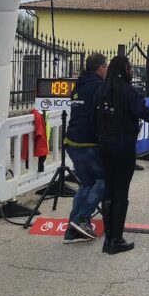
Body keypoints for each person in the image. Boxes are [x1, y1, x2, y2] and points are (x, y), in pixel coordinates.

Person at [96, 56, 149, 254]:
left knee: (108, 191)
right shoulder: (128, 92)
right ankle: (116, 238)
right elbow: (145, 113)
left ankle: (108, 237)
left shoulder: (101, 90)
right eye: (129, 68)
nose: (131, 71)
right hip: (123, 147)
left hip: (105, 146)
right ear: (124, 69)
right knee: (121, 191)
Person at [63, 53, 108, 244]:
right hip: (88, 142)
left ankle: (72, 230)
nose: (107, 71)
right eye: (106, 67)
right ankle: (82, 218)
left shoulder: (78, 86)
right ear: (100, 67)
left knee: (86, 183)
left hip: (71, 141)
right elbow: (102, 115)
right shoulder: (99, 86)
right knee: (105, 179)